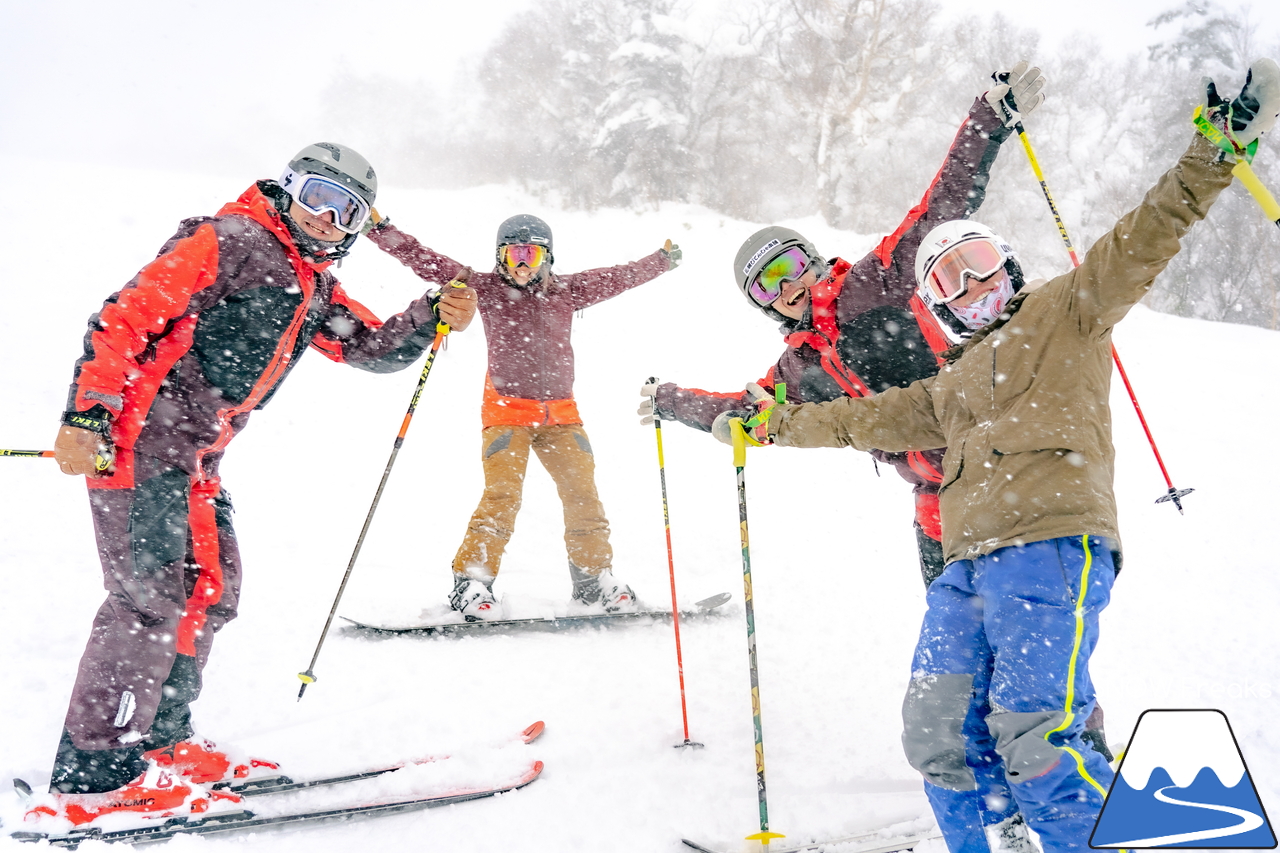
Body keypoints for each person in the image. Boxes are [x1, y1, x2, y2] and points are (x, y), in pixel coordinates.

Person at [716, 60, 1280, 853]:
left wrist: (1213, 153)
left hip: (1045, 539)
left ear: (1011, 266)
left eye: (983, 265)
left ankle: (1111, 829)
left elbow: (1144, 233)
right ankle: (992, 833)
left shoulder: (1064, 311)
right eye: (952, 280)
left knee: (1035, 732)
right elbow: (854, 419)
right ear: (938, 309)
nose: (973, 284)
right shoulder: (945, 385)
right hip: (959, 550)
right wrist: (764, 424)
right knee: (939, 732)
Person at [34, 142, 478, 826]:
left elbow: (368, 346)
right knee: (147, 601)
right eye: (316, 198)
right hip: (141, 444)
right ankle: (94, 771)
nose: (327, 219)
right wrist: (87, 414)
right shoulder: (229, 242)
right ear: (287, 189)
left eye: (346, 211)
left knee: (211, 589)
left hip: (198, 461)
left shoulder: (313, 284)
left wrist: (430, 313)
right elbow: (124, 317)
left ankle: (162, 738)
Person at [639, 61, 1046, 592]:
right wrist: (671, 401)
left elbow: (939, 209)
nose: (788, 289)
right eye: (768, 287)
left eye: (789, 267)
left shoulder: (873, 281)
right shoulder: (798, 368)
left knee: (1022, 620)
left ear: (810, 259)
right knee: (952, 640)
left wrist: (985, 121)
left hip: (990, 471)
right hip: (932, 501)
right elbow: (749, 410)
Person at [366, 214, 679, 620]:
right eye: (513, 254)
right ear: (500, 257)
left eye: (531, 254)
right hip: (506, 414)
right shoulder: (485, 289)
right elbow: (424, 259)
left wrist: (660, 261)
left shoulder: (568, 290)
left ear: (547, 257)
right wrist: (379, 230)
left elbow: (619, 276)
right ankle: (472, 584)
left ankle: (593, 581)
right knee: (502, 498)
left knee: (583, 496)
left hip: (562, 416)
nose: (522, 263)